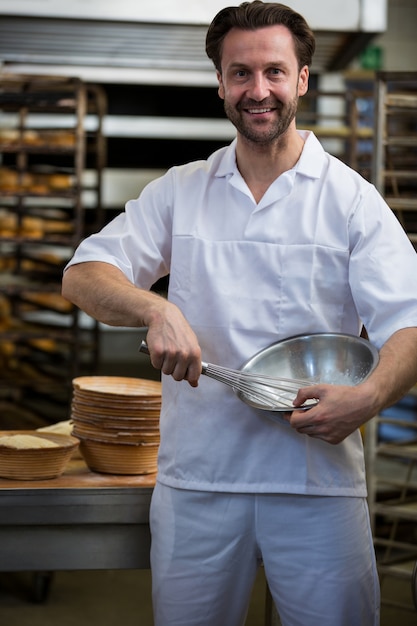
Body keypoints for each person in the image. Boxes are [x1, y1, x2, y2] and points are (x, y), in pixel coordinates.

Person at [62, 2, 417, 624]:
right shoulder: (181, 190)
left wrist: (369, 399)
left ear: (302, 80)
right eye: (241, 73)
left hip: (315, 483)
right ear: (221, 83)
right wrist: (154, 307)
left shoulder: (351, 200)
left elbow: (410, 324)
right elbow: (84, 274)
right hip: (199, 481)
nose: (259, 91)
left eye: (275, 72)